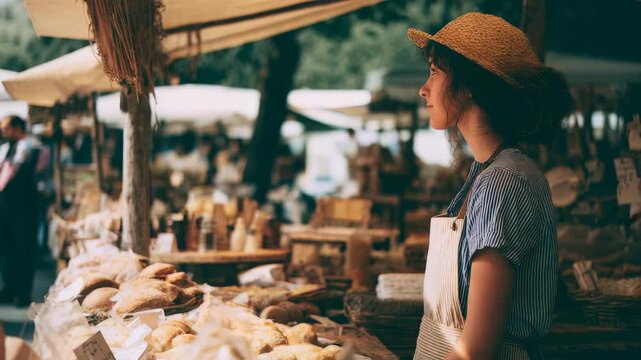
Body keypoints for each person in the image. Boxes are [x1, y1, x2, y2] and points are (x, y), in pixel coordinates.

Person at [407, 13, 573, 359]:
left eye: (435, 71)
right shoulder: (486, 172)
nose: (424, 88)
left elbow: (476, 349)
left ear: (469, 85)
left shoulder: (504, 183)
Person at [0, 115, 42, 307]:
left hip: (24, 208)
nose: (3, 131)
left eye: (7, 128)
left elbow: (21, 171)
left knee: (24, 250)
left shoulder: (31, 147)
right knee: (8, 249)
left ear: (17, 128)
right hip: (7, 207)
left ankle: (23, 293)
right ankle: (9, 289)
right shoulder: (6, 148)